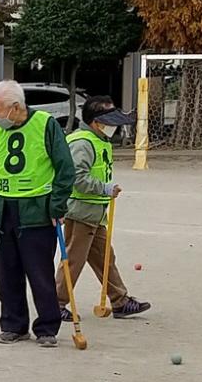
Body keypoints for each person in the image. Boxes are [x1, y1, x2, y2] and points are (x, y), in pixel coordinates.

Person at [0, 80, 75, 347]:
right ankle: (13, 324)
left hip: (37, 210)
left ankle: (47, 327)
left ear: (16, 107)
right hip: (6, 209)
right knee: (7, 273)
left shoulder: (45, 124)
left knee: (40, 273)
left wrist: (57, 205)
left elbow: (65, 168)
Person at [57, 97, 150, 319]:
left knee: (105, 257)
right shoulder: (82, 142)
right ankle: (56, 303)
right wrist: (104, 188)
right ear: (97, 123)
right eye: (110, 121)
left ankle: (120, 300)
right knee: (73, 260)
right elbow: (77, 178)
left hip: (94, 212)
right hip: (81, 211)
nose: (114, 126)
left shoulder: (97, 140)